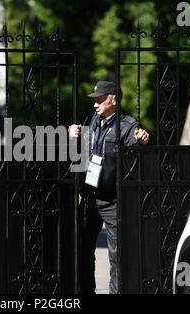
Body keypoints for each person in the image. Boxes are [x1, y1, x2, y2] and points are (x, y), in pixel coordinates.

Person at [68, 81, 149, 294]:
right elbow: (77, 151)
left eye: (99, 99)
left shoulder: (128, 125)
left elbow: (136, 157)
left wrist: (142, 140)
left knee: (117, 255)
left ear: (114, 98)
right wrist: (71, 136)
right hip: (88, 197)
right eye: (94, 99)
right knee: (82, 250)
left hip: (112, 199)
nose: (95, 104)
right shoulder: (90, 120)